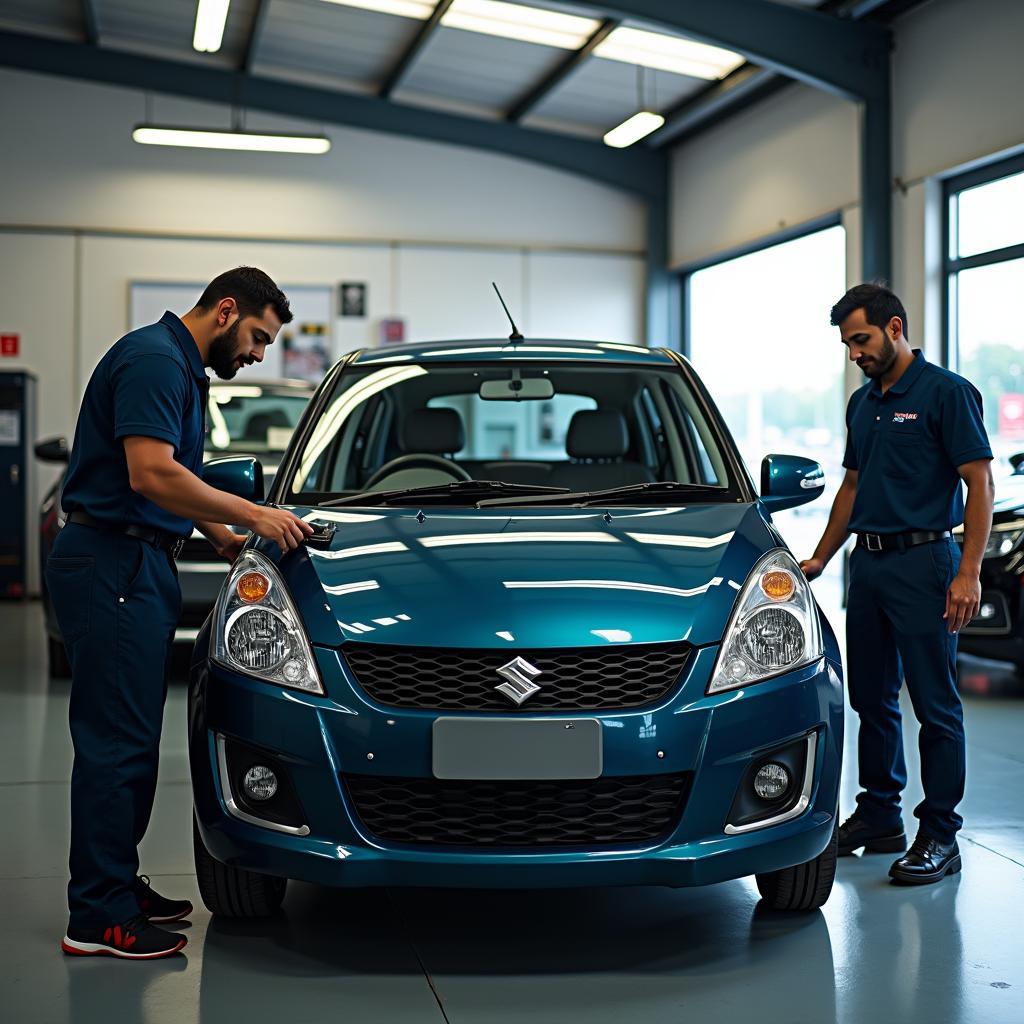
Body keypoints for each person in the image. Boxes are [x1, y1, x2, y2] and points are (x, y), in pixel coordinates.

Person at [48, 267, 314, 959]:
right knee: (114, 744)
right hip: (112, 566)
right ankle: (96, 915)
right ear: (225, 311)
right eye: (258, 336)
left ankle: (117, 884)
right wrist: (254, 513)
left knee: (133, 742)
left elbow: (168, 491)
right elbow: (151, 474)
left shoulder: (179, 368)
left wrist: (219, 536)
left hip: (137, 563)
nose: (258, 353)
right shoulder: (154, 361)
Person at [801, 283, 993, 886]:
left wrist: (969, 571)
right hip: (870, 566)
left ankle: (940, 833)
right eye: (846, 344)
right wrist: (820, 559)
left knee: (934, 707)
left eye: (860, 339)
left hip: (925, 564)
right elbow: (852, 488)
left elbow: (979, 485)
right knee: (872, 700)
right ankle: (881, 815)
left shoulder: (947, 393)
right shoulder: (863, 403)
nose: (854, 352)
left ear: (894, 327)